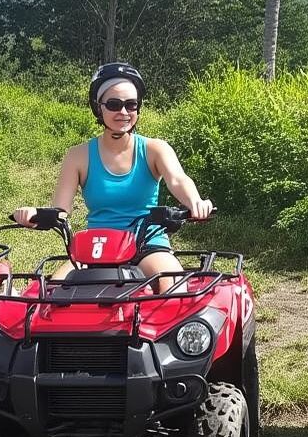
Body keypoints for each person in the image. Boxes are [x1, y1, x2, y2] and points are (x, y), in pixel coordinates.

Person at [12, 62, 213, 290]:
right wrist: (34, 214)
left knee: (174, 287)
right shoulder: (78, 155)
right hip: (96, 247)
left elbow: (178, 179)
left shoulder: (155, 149)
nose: (123, 112)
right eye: (114, 104)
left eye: (131, 105)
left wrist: (195, 201)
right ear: (99, 108)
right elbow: (60, 210)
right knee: (53, 292)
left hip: (148, 243)